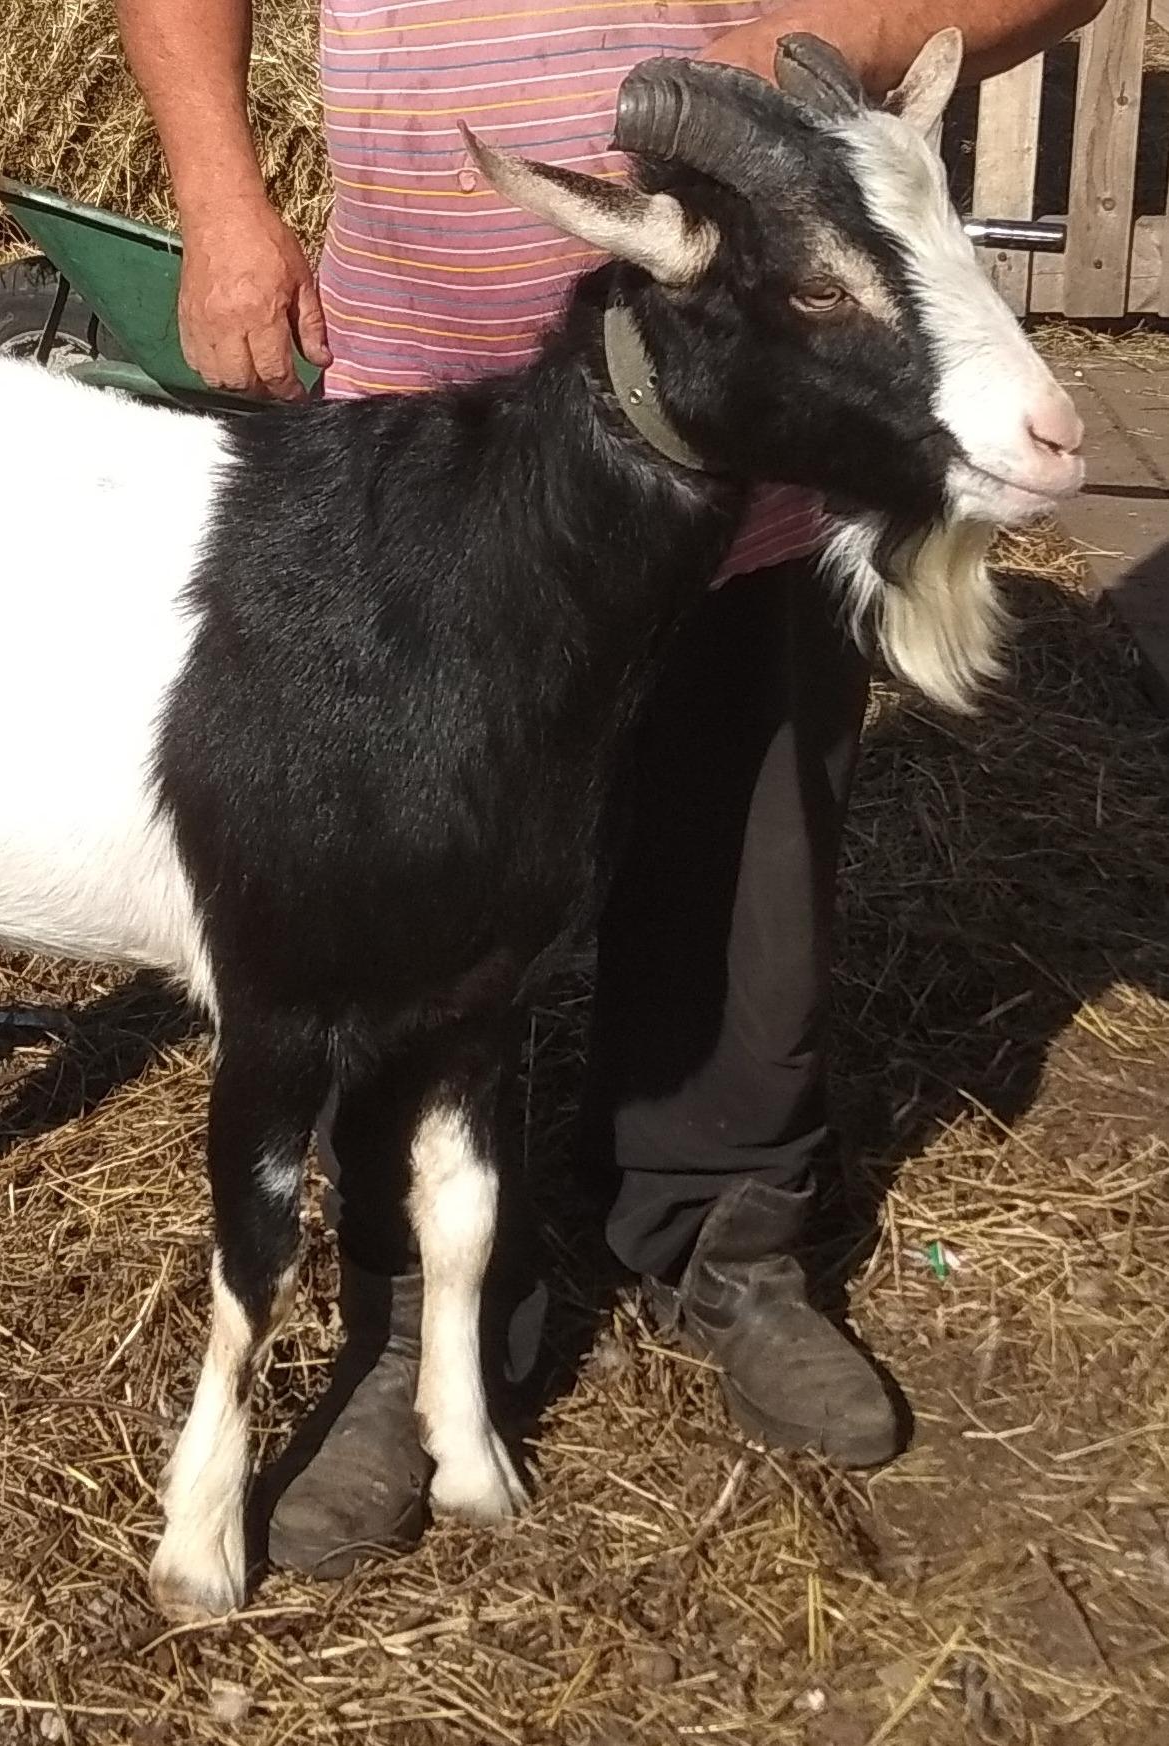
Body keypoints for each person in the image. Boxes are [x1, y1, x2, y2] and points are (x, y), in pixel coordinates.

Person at [117, 0, 1102, 1577]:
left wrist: (857, 24)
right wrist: (218, 190)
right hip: (429, 449)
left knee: (741, 863)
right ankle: (401, 1321)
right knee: (400, 889)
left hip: (765, 441)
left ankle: (730, 1241)